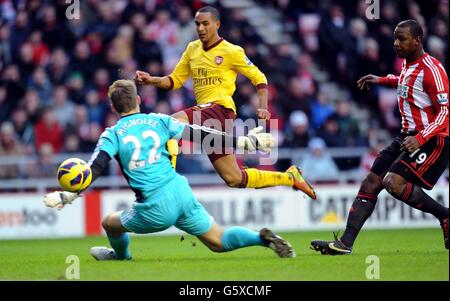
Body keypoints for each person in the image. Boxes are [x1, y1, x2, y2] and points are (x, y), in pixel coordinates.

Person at [43, 79, 295, 260]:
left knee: (109, 223)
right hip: (180, 191)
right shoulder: (160, 120)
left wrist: (69, 194)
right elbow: (201, 134)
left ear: (112, 107)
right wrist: (243, 141)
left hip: (155, 207)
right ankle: (260, 238)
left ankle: (122, 257)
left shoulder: (111, 135)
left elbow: (92, 170)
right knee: (218, 241)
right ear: (138, 100)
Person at [135, 6, 316, 200]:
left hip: (220, 110)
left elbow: (260, 78)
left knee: (170, 123)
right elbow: (175, 81)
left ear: (217, 24)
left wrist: (263, 106)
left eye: (205, 23)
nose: (201, 28)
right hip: (205, 117)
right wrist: (152, 80)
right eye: (197, 24)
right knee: (234, 178)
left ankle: (165, 186)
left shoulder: (231, 51)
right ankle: (290, 178)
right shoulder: (192, 49)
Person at [311, 19, 449, 255]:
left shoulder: (432, 70)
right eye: (395, 38)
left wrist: (422, 138)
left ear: (418, 40)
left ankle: (444, 216)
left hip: (432, 139)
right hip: (407, 136)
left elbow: (445, 113)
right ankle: (345, 244)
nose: (396, 43)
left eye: (402, 38)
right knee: (371, 182)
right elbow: (407, 83)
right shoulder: (408, 65)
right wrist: (382, 79)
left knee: (393, 182)